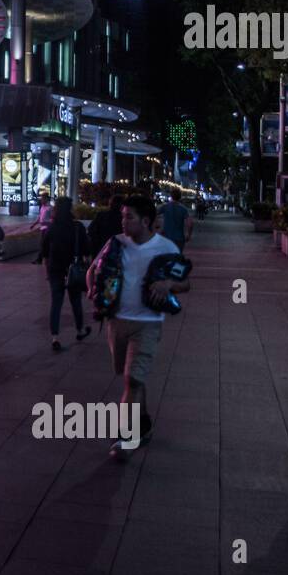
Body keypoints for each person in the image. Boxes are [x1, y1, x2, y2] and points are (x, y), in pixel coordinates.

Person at [88, 194, 190, 457]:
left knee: (133, 379)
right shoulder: (116, 243)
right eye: (122, 216)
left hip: (148, 323)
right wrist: (94, 294)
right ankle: (143, 423)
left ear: (145, 221)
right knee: (131, 378)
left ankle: (126, 438)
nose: (123, 221)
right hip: (117, 321)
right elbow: (92, 270)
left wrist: (168, 284)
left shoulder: (166, 248)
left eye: (128, 217)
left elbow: (185, 284)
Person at [40, 197, 91, 351]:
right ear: (70, 209)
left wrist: (47, 270)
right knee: (75, 301)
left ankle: (55, 337)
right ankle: (80, 331)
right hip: (73, 270)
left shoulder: (52, 228)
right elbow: (87, 252)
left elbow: (45, 253)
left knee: (56, 303)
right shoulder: (77, 227)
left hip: (55, 270)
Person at [30, 193, 54, 263]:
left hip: (47, 228)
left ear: (46, 199)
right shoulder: (42, 207)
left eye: (42, 199)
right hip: (42, 228)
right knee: (43, 244)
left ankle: (40, 259)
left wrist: (46, 223)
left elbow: (52, 219)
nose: (41, 200)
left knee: (43, 243)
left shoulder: (50, 208)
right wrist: (34, 224)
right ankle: (41, 258)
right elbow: (40, 217)